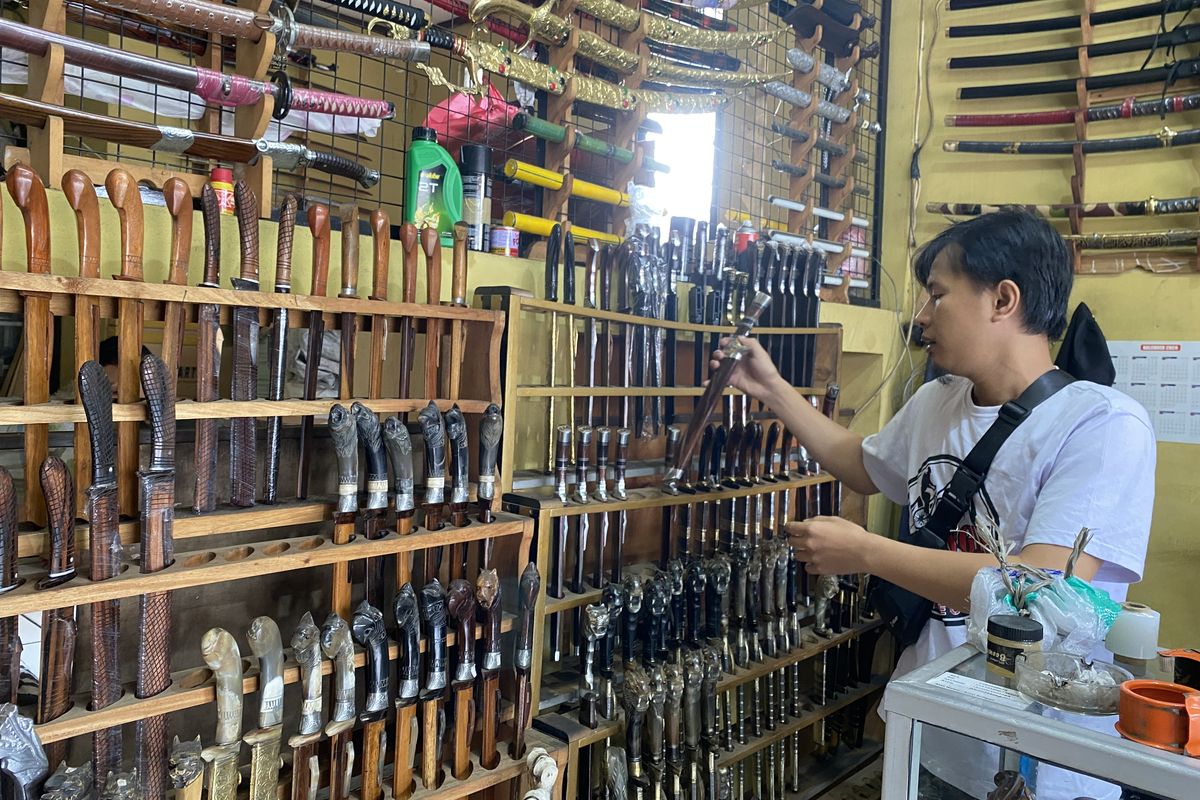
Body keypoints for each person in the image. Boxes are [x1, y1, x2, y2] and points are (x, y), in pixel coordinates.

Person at [713, 209, 1155, 800]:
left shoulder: (1101, 426)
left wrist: (866, 551)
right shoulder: (936, 402)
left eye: (937, 295)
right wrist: (770, 388)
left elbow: (1042, 590)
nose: (921, 317)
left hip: (1037, 758)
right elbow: (861, 465)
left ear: (1003, 299)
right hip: (931, 729)